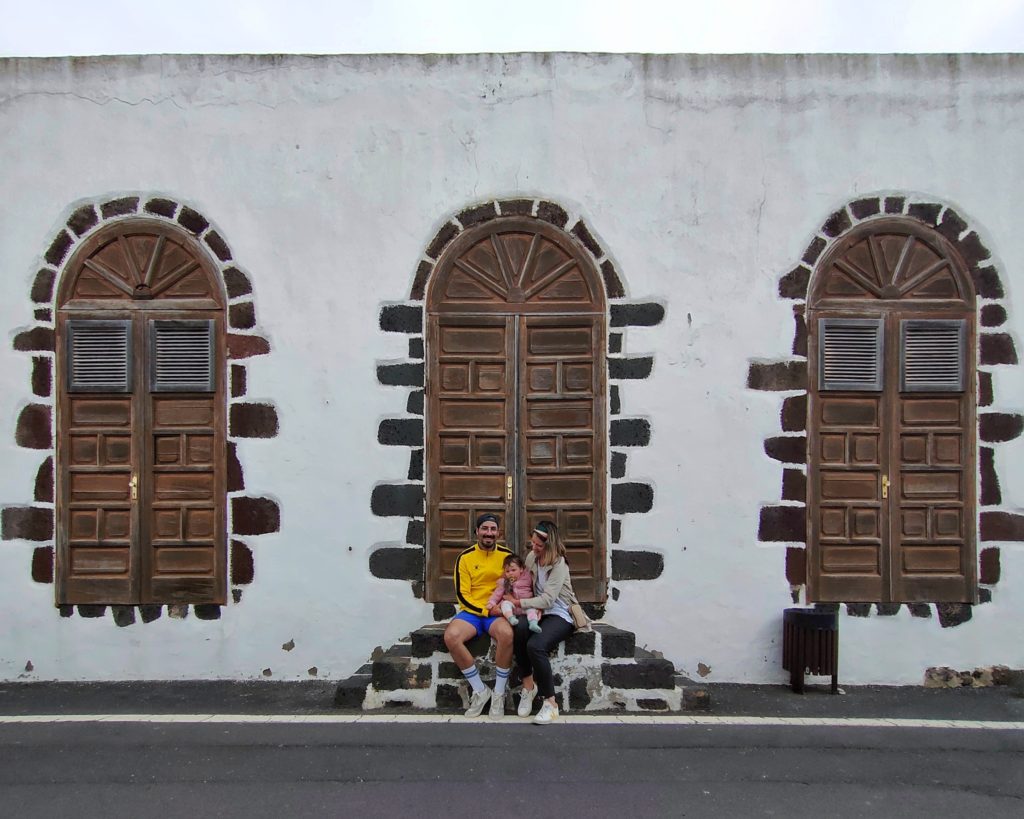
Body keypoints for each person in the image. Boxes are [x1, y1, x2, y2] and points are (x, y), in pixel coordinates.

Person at [442, 513, 515, 720]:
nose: (489, 533)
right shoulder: (464, 558)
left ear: (498, 533)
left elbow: (516, 584)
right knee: (451, 636)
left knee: (507, 634)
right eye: (485, 529)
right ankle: (481, 691)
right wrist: (485, 610)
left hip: (497, 611)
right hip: (473, 613)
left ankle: (499, 693)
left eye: (493, 529)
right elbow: (462, 595)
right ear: (477, 531)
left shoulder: (507, 556)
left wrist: (504, 606)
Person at [507, 520, 579, 725]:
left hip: (559, 612)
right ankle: (528, 687)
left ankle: (550, 704)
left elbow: (548, 599)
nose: (534, 548)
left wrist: (519, 602)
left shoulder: (559, 564)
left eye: (539, 545)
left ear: (550, 545)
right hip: (536, 610)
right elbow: (524, 581)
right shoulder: (532, 558)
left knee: (536, 645)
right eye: (532, 543)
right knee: (519, 629)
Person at [486, 554, 543, 632]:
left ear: (521, 569)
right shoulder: (505, 582)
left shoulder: (528, 578)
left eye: (513, 570)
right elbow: (497, 594)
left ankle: (533, 623)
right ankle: (511, 618)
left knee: (532, 610)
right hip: (513, 608)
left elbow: (535, 587)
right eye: (507, 571)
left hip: (525, 604)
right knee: (505, 604)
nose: (510, 573)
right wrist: (491, 603)